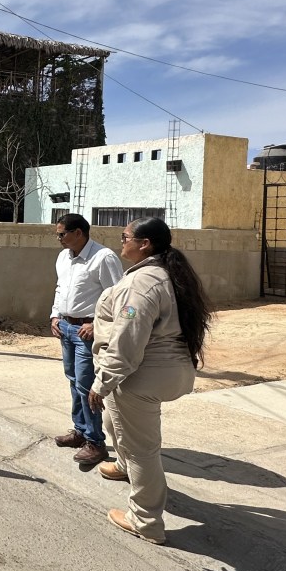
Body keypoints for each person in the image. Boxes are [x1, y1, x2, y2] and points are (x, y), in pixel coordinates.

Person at [88, 217, 211, 545]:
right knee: (113, 421)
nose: (121, 241)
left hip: (141, 375)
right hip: (168, 369)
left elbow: (128, 339)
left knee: (142, 450)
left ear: (145, 244)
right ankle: (123, 465)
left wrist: (102, 382)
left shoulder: (141, 284)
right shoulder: (165, 273)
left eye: (125, 236)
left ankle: (145, 520)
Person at [49, 213, 124, 466]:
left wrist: (96, 324)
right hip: (66, 327)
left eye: (62, 234)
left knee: (86, 384)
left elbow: (117, 297)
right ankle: (80, 431)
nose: (58, 239)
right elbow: (60, 288)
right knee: (73, 381)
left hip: (87, 331)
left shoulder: (103, 258)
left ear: (78, 233)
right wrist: (55, 316)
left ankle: (95, 442)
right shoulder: (64, 257)